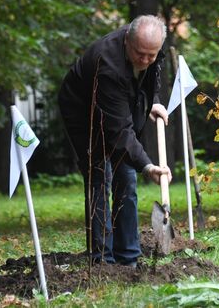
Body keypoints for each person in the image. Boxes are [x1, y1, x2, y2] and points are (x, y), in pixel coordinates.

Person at [58, 15, 172, 267]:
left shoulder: (149, 49)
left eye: (151, 55)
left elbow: (152, 73)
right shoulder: (107, 64)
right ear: (126, 42)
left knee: (127, 179)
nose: (145, 60)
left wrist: (153, 99)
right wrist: (147, 165)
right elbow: (119, 131)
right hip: (82, 111)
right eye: (139, 54)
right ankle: (103, 261)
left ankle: (128, 257)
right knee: (101, 176)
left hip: (118, 106)